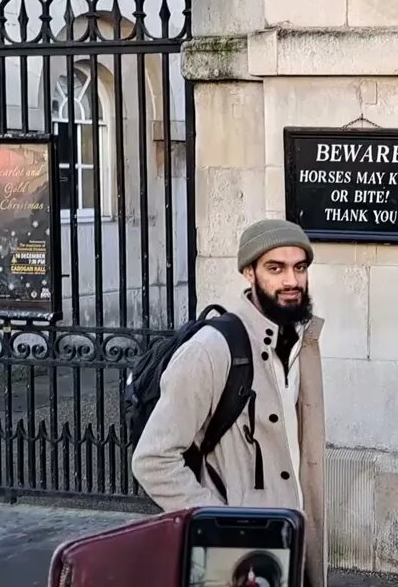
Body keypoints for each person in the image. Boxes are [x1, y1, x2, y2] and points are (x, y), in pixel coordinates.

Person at [132, 219, 328, 586]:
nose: (291, 281)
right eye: (276, 268)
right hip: (237, 565)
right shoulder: (211, 350)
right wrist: (223, 527)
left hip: (293, 546)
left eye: (299, 267)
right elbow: (153, 460)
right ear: (248, 272)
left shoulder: (306, 344)